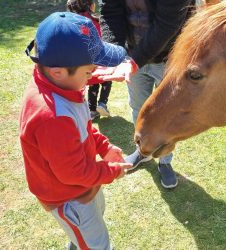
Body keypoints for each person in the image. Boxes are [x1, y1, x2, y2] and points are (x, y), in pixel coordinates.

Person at [20, 12, 132, 249]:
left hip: (82, 189)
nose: (92, 77)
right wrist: (111, 170)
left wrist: (105, 147)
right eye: (89, 72)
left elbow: (84, 127)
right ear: (58, 71)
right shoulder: (53, 117)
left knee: (85, 233)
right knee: (96, 245)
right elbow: (73, 173)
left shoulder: (60, 86)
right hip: (70, 199)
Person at [93, 0, 196, 189]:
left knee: (167, 113)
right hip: (132, 55)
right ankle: (143, 152)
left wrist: (133, 61)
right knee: (138, 108)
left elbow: (167, 24)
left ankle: (165, 160)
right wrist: (116, 52)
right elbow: (110, 11)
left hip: (169, 58)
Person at [67, 0, 112, 120]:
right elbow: (104, 37)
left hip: (82, 61)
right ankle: (102, 103)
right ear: (91, 5)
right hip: (98, 58)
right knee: (106, 79)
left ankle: (92, 110)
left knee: (92, 83)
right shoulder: (96, 20)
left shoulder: (70, 22)